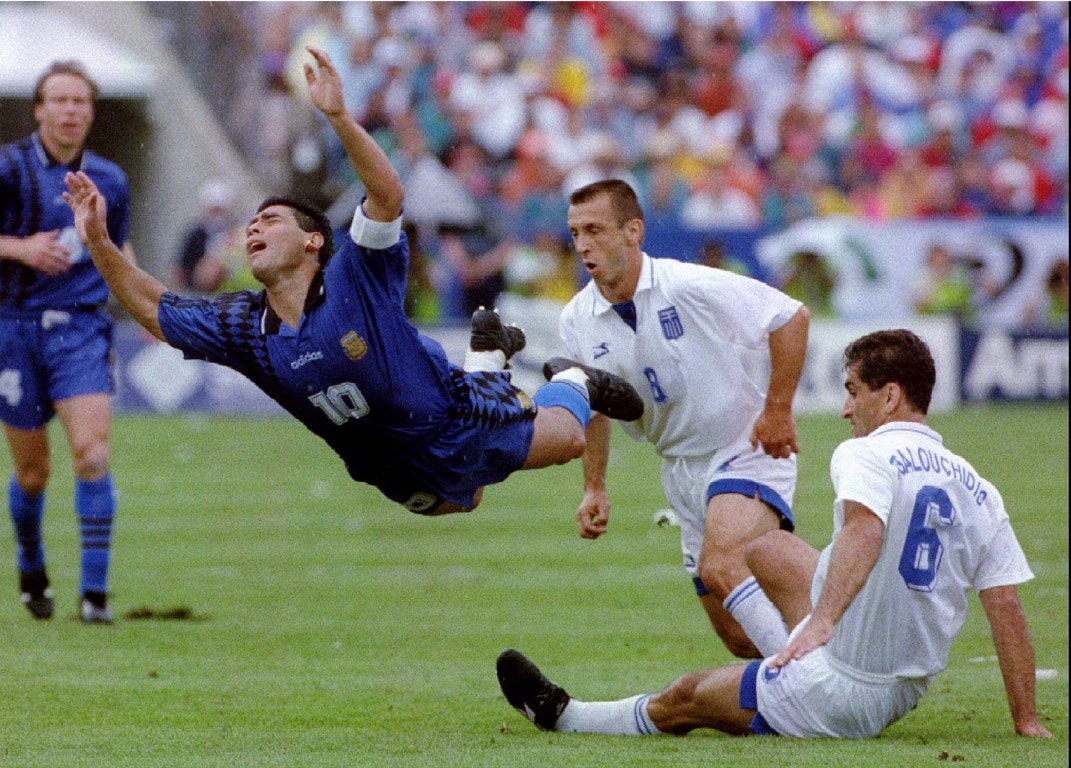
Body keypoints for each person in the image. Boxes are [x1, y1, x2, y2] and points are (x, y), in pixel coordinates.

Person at [63, 47, 643, 522]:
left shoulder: (355, 273)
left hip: (453, 426)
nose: (255, 228)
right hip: (387, 470)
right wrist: (98, 243)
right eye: (252, 222)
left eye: (272, 220)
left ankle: (569, 378)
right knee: (458, 504)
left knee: (565, 440)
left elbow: (388, 195)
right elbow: (152, 308)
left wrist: (340, 118)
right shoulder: (244, 325)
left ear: (314, 240)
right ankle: (487, 357)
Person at [497, 329, 1052, 740]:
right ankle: (796, 649)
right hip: (908, 683)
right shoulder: (979, 487)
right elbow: (1005, 605)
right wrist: (1025, 721)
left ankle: (567, 717)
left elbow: (864, 531)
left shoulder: (866, 452)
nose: (843, 408)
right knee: (765, 548)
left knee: (688, 697)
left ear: (889, 397)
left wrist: (824, 625)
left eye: (853, 391)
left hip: (845, 691)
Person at [557, 179, 810, 659]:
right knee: (739, 638)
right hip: (679, 472)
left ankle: (805, 687)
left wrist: (778, 411)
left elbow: (790, 317)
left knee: (722, 565)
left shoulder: (687, 284)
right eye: (575, 234)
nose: (583, 245)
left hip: (742, 449)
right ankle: (834, 648)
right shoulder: (576, 319)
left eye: (594, 230)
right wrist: (594, 486)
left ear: (633, 231)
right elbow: (593, 405)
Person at [0, 60, 135, 624]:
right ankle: (32, 566)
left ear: (91, 110)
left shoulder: (111, 180)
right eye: (59, 100)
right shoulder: (7, 168)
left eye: (80, 101)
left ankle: (95, 595)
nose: (70, 111)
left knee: (93, 454)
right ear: (39, 108)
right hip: (14, 327)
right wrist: (20, 248)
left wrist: (157, 314)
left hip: (80, 326)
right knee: (33, 472)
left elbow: (120, 256)